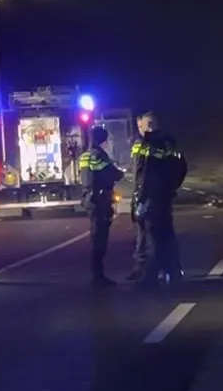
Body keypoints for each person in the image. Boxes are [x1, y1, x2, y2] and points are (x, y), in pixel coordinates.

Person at [127, 111, 188, 286]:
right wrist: (171, 188)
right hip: (164, 197)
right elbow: (182, 168)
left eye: (142, 126)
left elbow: (141, 174)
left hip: (149, 197)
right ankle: (173, 271)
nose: (141, 129)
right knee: (166, 234)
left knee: (151, 237)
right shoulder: (169, 142)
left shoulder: (144, 144)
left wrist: (140, 198)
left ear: (146, 126)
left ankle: (150, 275)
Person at [77, 124, 125, 285]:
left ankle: (97, 273)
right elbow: (113, 174)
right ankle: (98, 275)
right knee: (100, 238)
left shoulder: (85, 155)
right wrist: (121, 172)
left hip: (89, 198)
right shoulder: (98, 155)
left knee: (96, 236)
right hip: (100, 199)